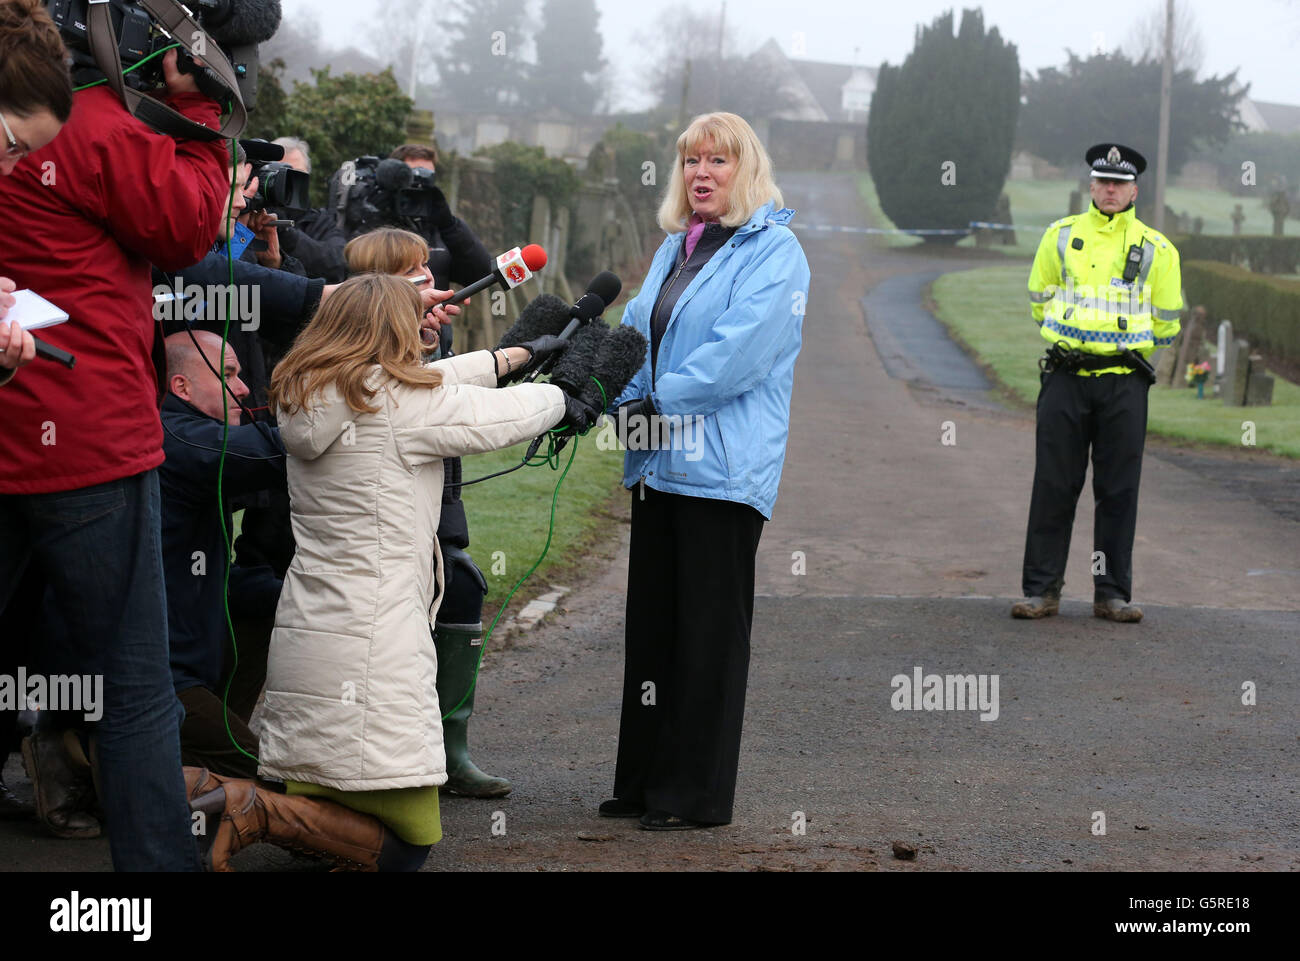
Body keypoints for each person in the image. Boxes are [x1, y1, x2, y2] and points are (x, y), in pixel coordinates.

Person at [185, 273, 596, 871]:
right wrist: (567, 397)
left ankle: (218, 792)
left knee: (330, 816)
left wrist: (518, 356)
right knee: (407, 846)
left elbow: (439, 381)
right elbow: (493, 416)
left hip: (312, 631)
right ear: (389, 332)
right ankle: (252, 808)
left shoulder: (315, 388)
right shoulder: (395, 404)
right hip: (375, 644)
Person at [0, 0, 231, 870]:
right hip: (89, 441)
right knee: (134, 694)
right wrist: (201, 114)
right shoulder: (90, 127)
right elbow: (188, 228)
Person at [603, 112, 809, 830]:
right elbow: (634, 335)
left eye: (718, 161)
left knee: (706, 638)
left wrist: (649, 409)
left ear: (744, 170)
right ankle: (642, 782)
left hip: (722, 475)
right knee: (654, 628)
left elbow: (732, 359)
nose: (702, 173)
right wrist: (605, 395)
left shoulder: (776, 253)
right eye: (692, 160)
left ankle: (691, 793)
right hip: (658, 468)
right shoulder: (674, 249)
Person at [343, 228, 512, 797]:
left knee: (461, 584)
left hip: (440, 503)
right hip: (378, 518)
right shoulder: (349, 345)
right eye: (418, 278)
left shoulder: (428, 334)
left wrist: (430, 345)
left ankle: (451, 748)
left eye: (429, 275)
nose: (433, 287)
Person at [1013, 144, 1182, 623]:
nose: (1110, 190)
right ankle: (1041, 591)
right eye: (1103, 182)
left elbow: (1168, 321)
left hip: (1125, 383)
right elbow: (1039, 297)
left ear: (1133, 190)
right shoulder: (1060, 236)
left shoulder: (1158, 249)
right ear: (1091, 186)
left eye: (1119, 183)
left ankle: (1111, 595)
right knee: (1053, 485)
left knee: (1118, 490)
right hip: (1065, 377)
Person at [160, 331, 286, 778]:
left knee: (267, 605)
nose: (244, 387)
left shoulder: (186, 432)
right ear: (182, 388)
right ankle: (89, 755)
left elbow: (211, 576)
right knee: (274, 781)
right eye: (228, 374)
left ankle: (198, 754)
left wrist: (300, 594)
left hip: (186, 665)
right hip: (162, 682)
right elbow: (274, 449)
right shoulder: (176, 438)